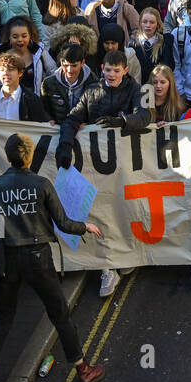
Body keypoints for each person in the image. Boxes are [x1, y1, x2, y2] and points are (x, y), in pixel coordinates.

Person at [0, 133, 104, 382]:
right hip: (37, 258)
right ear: (30, 156)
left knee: (4, 315)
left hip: (7, 259)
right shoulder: (42, 184)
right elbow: (64, 223)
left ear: (7, 155)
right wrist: (86, 227)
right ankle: (83, 370)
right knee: (59, 314)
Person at [54, 50, 151, 298]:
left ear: (125, 71)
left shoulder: (138, 90)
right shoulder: (91, 91)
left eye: (116, 71)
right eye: (107, 70)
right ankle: (107, 268)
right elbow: (72, 118)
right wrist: (65, 143)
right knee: (101, 212)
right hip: (98, 167)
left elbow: (146, 115)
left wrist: (124, 121)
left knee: (124, 210)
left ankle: (126, 255)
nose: (111, 75)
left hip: (127, 166)